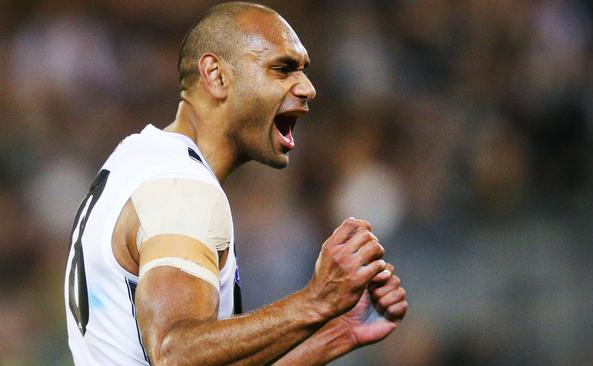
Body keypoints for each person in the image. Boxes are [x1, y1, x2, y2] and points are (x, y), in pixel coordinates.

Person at [64, 2, 407, 365]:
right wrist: (316, 300)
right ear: (216, 75)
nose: (307, 88)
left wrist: (335, 335)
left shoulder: (138, 159)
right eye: (283, 69)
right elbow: (175, 352)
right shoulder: (182, 188)